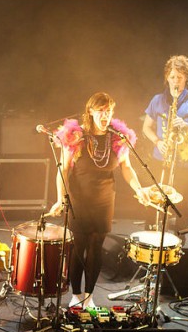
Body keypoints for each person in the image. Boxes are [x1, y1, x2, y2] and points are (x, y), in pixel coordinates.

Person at [48, 92, 151, 309]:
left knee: (96, 246)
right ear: (91, 112)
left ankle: (89, 296)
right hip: (79, 197)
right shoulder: (76, 136)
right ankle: (75, 296)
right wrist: (61, 198)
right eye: (101, 111)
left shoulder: (118, 138)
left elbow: (127, 168)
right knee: (79, 247)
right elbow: (63, 170)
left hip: (104, 199)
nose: (105, 116)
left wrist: (139, 189)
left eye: (109, 111)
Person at [142, 55, 188, 241]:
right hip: (160, 159)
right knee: (155, 202)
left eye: (179, 77)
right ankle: (152, 240)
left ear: (186, 78)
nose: (175, 81)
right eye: (172, 77)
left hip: (185, 162)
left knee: (181, 205)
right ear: (166, 78)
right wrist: (157, 141)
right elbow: (146, 127)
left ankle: (179, 243)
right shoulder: (158, 100)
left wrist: (186, 125)